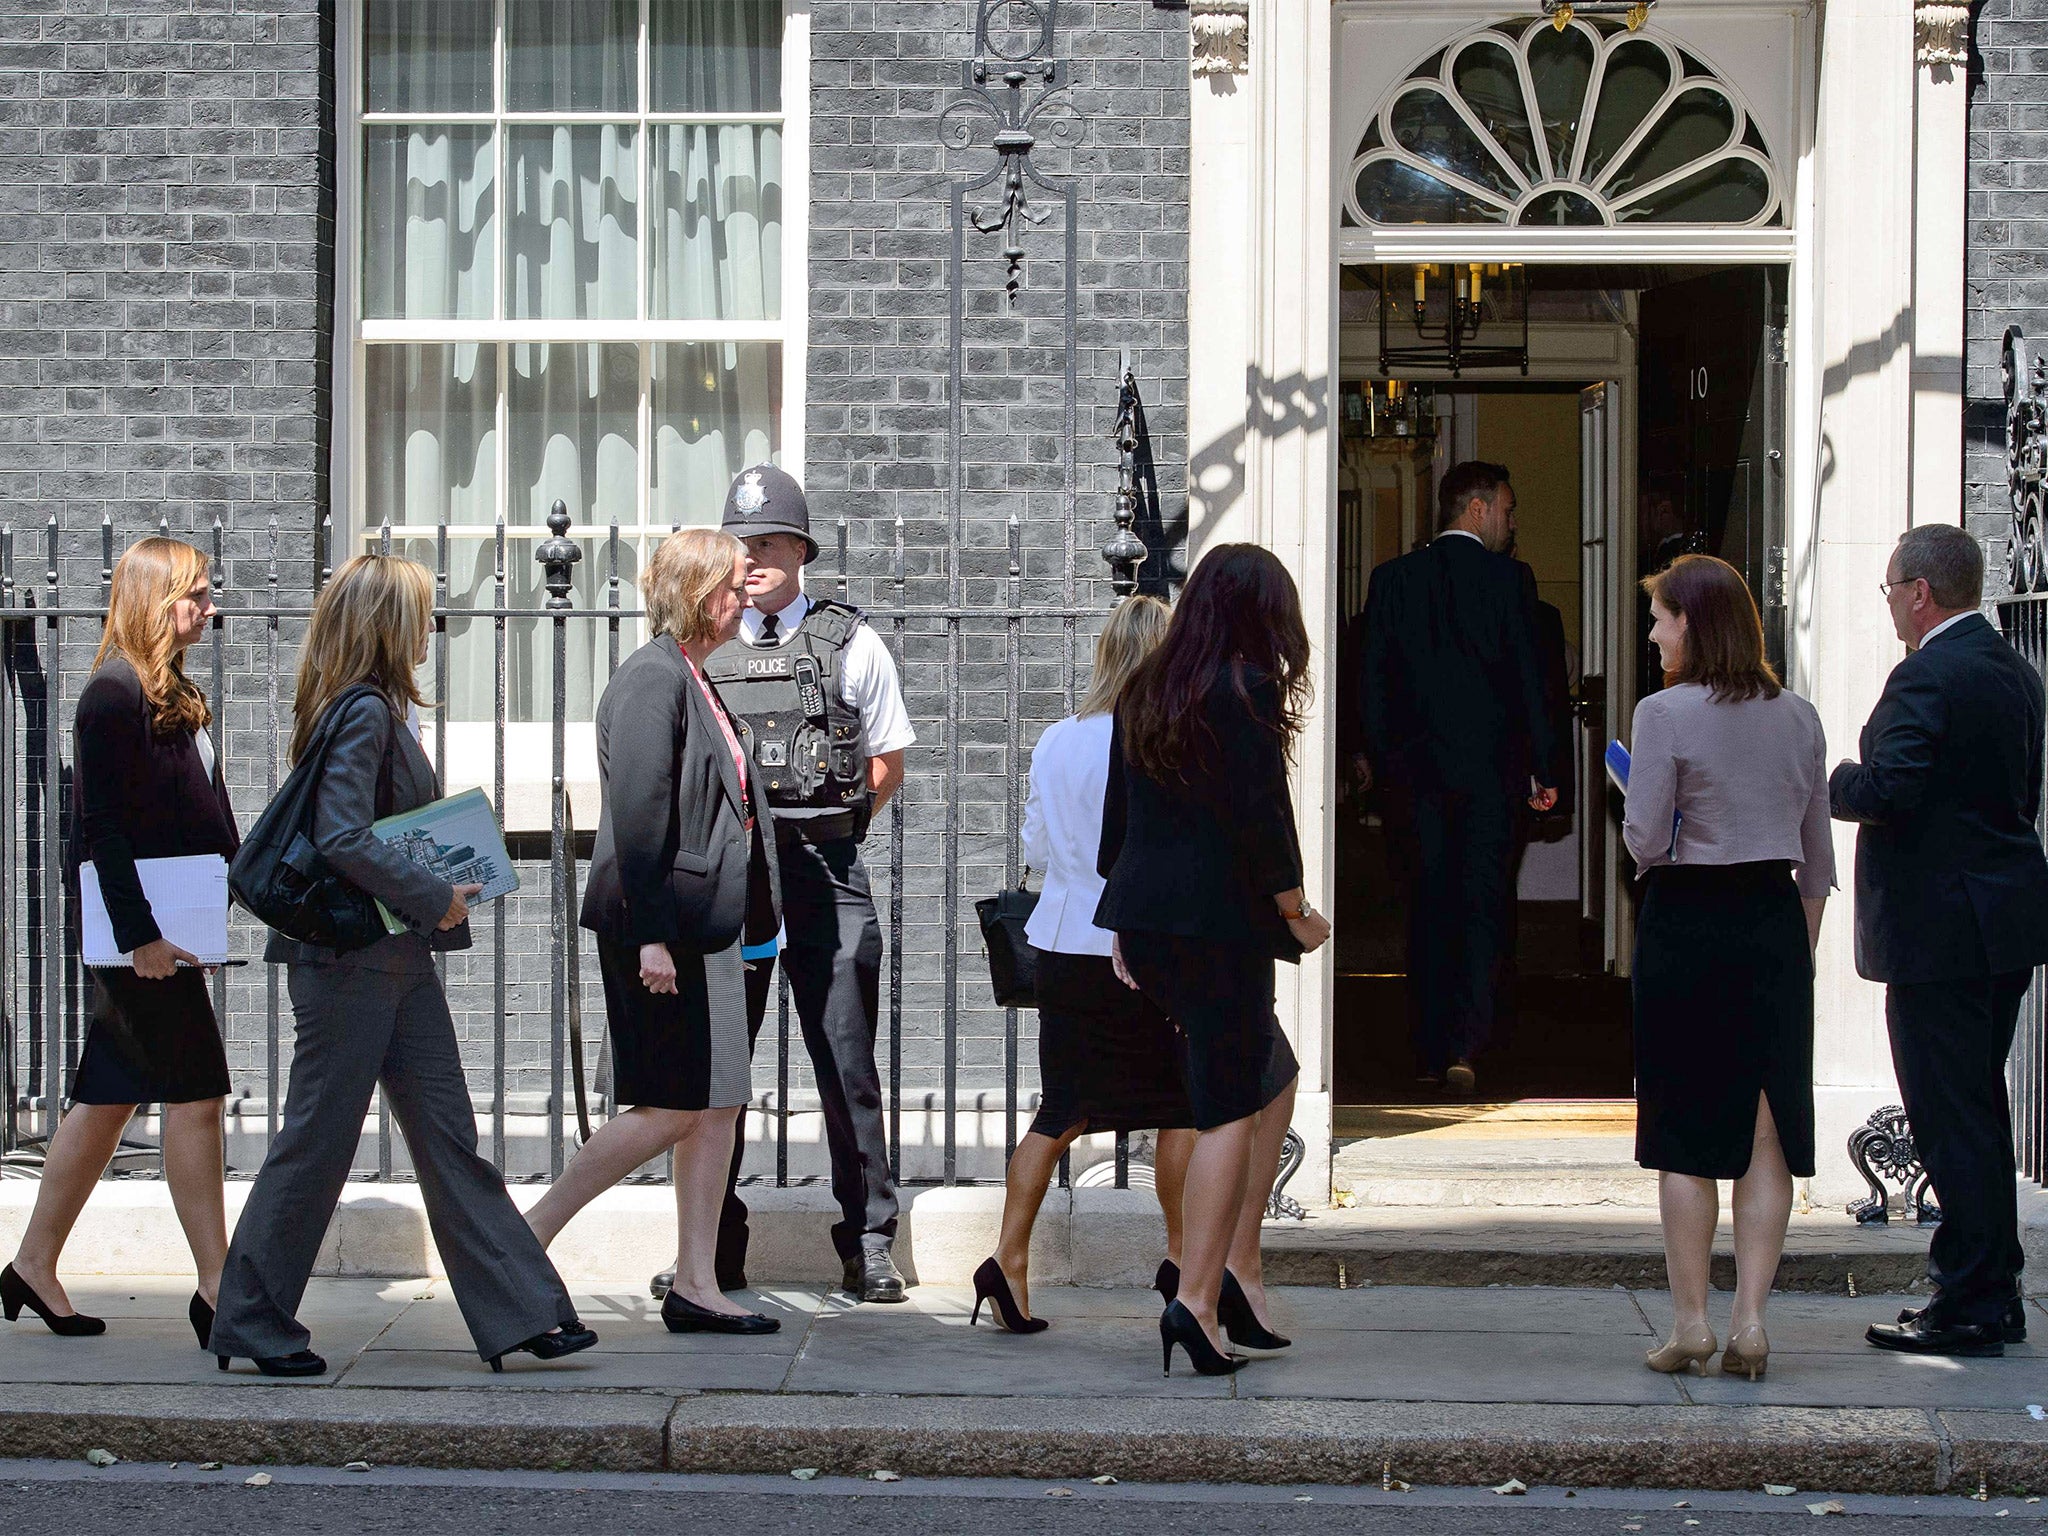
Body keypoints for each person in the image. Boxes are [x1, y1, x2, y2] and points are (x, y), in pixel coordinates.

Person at [209, 555, 596, 1377]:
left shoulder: (370, 710)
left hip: (393, 960)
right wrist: (432, 895)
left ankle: (526, 1312)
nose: (432, 629)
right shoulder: (363, 715)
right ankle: (248, 1318)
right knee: (317, 1141)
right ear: (389, 624)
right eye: (422, 613)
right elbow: (343, 834)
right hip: (350, 962)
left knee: (450, 1138)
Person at [527, 528, 783, 1337]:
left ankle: (698, 1284)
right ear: (704, 595)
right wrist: (651, 937)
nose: (748, 600)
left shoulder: (693, 677)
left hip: (710, 933)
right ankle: (521, 1239)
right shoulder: (652, 682)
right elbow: (637, 821)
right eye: (736, 588)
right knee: (674, 1105)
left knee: (719, 1105)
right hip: (669, 932)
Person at [1097, 544, 1330, 1378]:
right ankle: (1197, 1299)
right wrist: (1296, 911)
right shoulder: (1244, 689)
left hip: (1151, 923)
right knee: (1230, 1102)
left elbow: (1116, 826)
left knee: (1271, 1073)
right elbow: (1263, 816)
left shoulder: (1145, 688)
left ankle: (1237, 1271)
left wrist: (1126, 925)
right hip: (1219, 927)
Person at [3, 539, 236, 1343]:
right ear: (155, 600)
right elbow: (99, 827)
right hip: (144, 935)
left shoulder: (176, 694)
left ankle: (32, 1264)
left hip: (171, 923)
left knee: (107, 1097)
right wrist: (141, 940)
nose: (210, 608)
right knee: (198, 1093)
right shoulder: (110, 694)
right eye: (196, 596)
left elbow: (199, 811)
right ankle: (219, 1288)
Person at [1831, 524, 2048, 1357]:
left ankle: (1972, 1302)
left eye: (1890, 588)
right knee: (1978, 1113)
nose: (1888, 603)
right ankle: (1995, 1287)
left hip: (1939, 931)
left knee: (1951, 1117)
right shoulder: (2013, 671)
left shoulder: (1926, 674)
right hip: (2002, 922)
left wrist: (1832, 780)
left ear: (1920, 592)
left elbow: (1893, 787)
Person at [704, 465, 917, 1304]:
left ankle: (868, 1243)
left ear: (800, 550)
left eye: (766, 543)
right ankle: (713, 1248)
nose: (751, 559)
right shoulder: (706, 640)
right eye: (740, 544)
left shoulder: (851, 641)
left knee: (847, 1064)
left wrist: (843, 820)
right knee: (722, 1069)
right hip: (735, 878)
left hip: (825, 869)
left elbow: (888, 760)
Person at [1624, 555, 1833, 1383]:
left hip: (1688, 920)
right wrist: (1795, 951)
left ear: (1694, 625)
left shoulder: (1662, 713)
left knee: (1683, 1131)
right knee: (1763, 1130)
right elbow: (1817, 864)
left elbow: (1643, 841)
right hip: (1773, 924)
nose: (1652, 632)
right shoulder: (1801, 717)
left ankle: (1690, 1323)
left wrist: (1664, 814)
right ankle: (1751, 1320)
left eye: (1661, 617)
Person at [973, 595, 1198, 1333]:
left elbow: (1037, 851)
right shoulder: (1164, 740)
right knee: (1182, 1112)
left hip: (1061, 947)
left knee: (1060, 1110)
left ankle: (1006, 1260)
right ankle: (1181, 1264)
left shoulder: (1056, 739)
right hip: (1139, 953)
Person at [1360, 461, 1558, 1098]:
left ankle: (1424, 1046)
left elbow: (1371, 682)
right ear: (1476, 509)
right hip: (1490, 782)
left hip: (1411, 783)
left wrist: (1375, 762)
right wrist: (1545, 769)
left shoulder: (1390, 581)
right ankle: (1467, 1048)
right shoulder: (1510, 581)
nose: (1511, 522)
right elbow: (1532, 682)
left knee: (1424, 908)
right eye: (1506, 508)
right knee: (1483, 908)